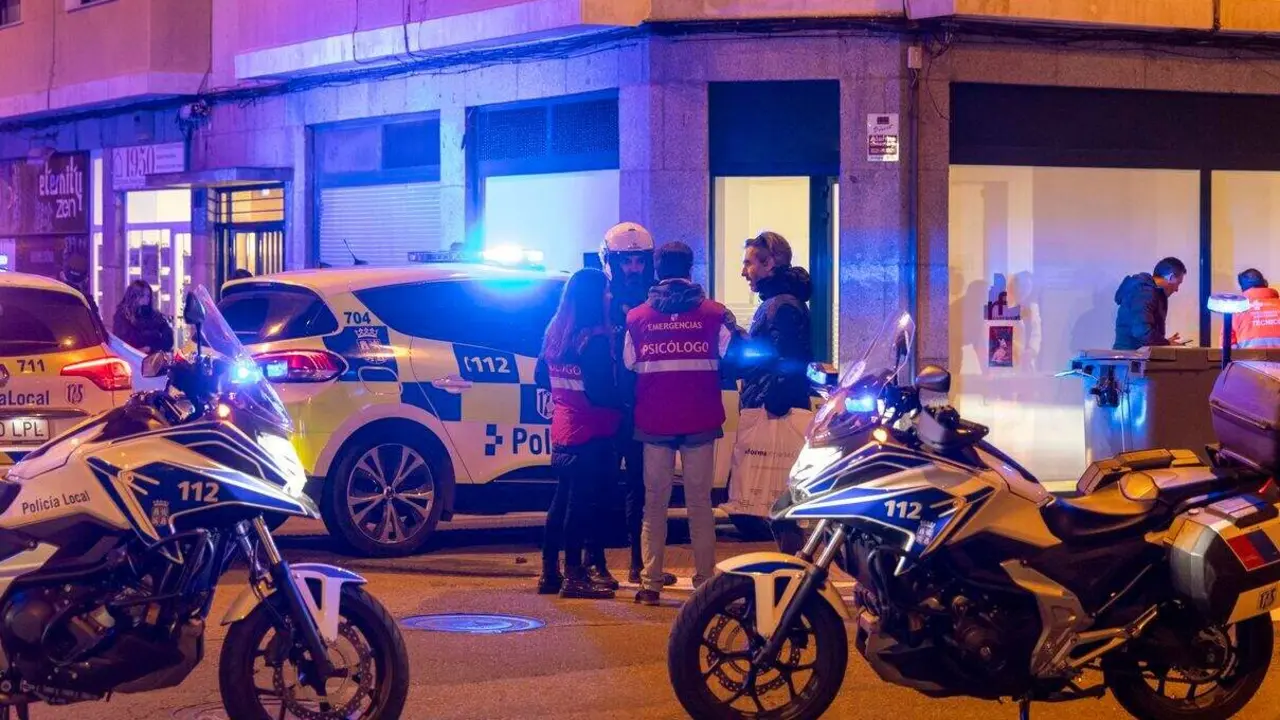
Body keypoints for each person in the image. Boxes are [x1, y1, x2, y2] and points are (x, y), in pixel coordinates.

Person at [624, 241, 736, 606]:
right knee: (700, 504)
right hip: (701, 420)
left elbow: (628, 363)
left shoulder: (637, 318)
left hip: (654, 422)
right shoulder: (715, 314)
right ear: (691, 269)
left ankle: (650, 583)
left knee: (653, 503)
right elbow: (731, 359)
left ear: (657, 269)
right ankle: (704, 581)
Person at [594, 222, 675, 589]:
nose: (632, 269)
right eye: (625, 261)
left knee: (642, 488)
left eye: (638, 261)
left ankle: (638, 563)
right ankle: (593, 565)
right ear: (610, 261)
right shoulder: (599, 299)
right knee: (600, 486)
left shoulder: (657, 299)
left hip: (644, 406)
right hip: (606, 406)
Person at [534, 268, 623, 600]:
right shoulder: (595, 340)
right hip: (592, 430)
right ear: (593, 297)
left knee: (560, 502)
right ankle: (574, 575)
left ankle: (549, 573)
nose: (609, 296)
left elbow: (540, 375)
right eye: (606, 291)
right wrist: (626, 405)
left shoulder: (556, 331)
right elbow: (602, 392)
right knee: (580, 505)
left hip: (564, 427)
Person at [738, 231, 814, 417]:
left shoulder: (782, 305)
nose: (743, 272)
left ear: (769, 263)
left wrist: (773, 407)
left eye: (748, 263)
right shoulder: (778, 301)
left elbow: (788, 363)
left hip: (773, 414)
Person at [1113, 256, 1187, 351]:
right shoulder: (1145, 292)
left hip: (1129, 358)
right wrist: (1167, 343)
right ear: (1171, 277)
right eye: (1178, 283)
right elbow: (1142, 332)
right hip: (1131, 359)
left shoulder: (1147, 291)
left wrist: (1164, 342)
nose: (1177, 289)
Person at [113, 280, 175, 355]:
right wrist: (155, 335)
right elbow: (125, 341)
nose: (146, 300)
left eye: (148, 296)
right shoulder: (123, 316)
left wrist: (151, 347)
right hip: (132, 359)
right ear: (133, 296)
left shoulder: (155, 315)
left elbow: (168, 340)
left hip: (152, 359)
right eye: (142, 295)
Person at [1232, 268, 1280, 349]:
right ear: (1265, 283)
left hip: (1248, 361)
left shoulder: (1236, 310)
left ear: (1242, 289)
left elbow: (1227, 347)